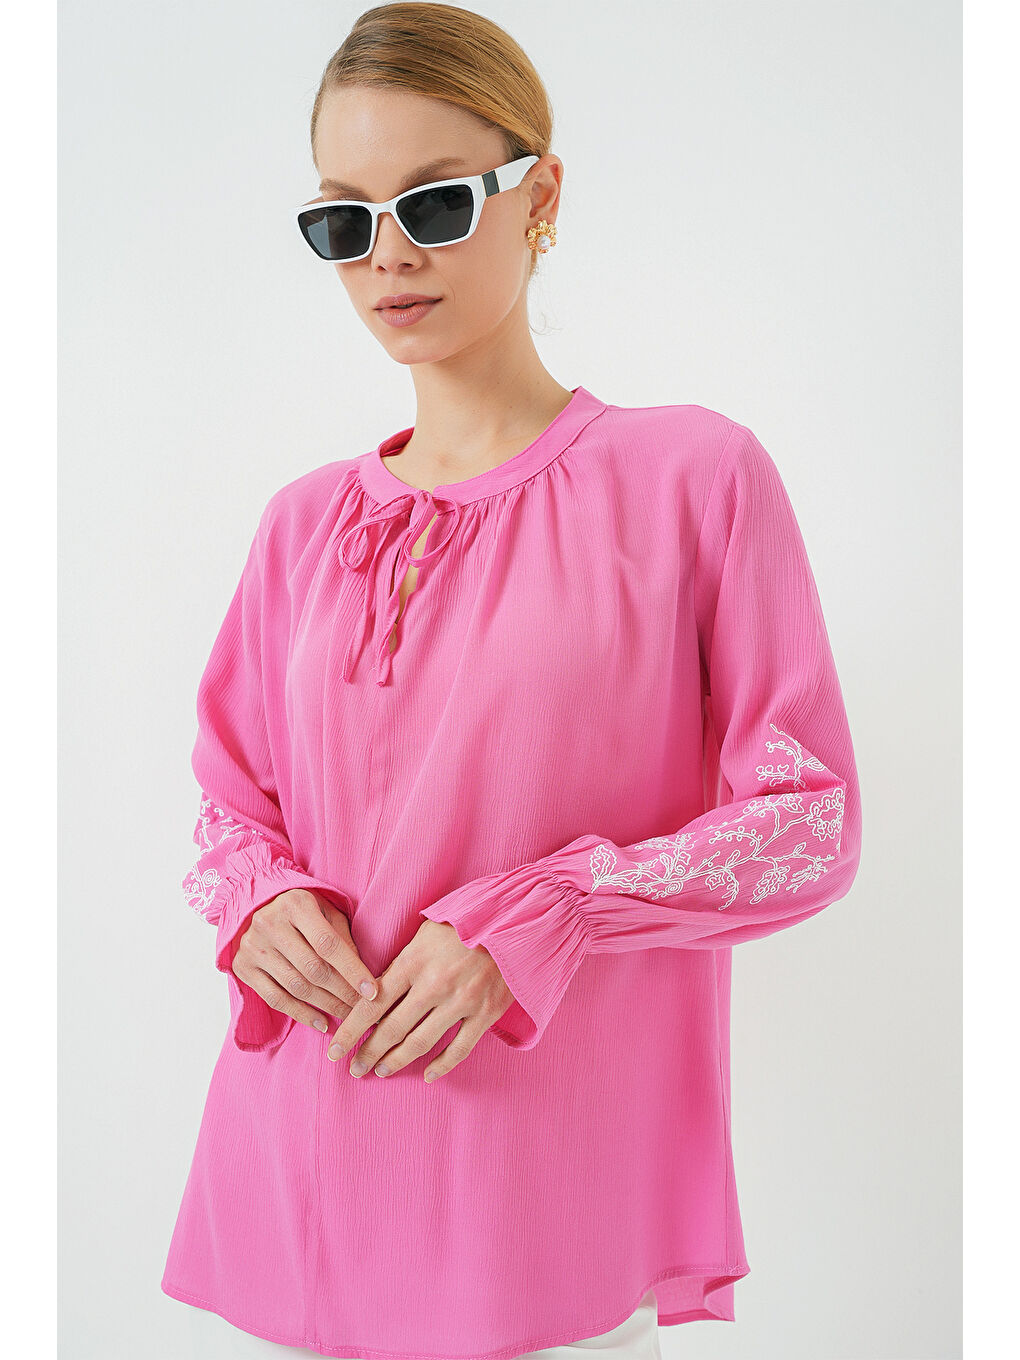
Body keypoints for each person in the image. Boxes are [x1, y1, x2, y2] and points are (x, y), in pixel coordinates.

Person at [160, 5, 863, 1358]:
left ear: (539, 196)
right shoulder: (301, 526)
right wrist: (255, 901)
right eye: (343, 221)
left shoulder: (691, 480)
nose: (389, 256)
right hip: (300, 1178)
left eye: (433, 201)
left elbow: (809, 820)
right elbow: (227, 809)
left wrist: (550, 912)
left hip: (540, 1211)